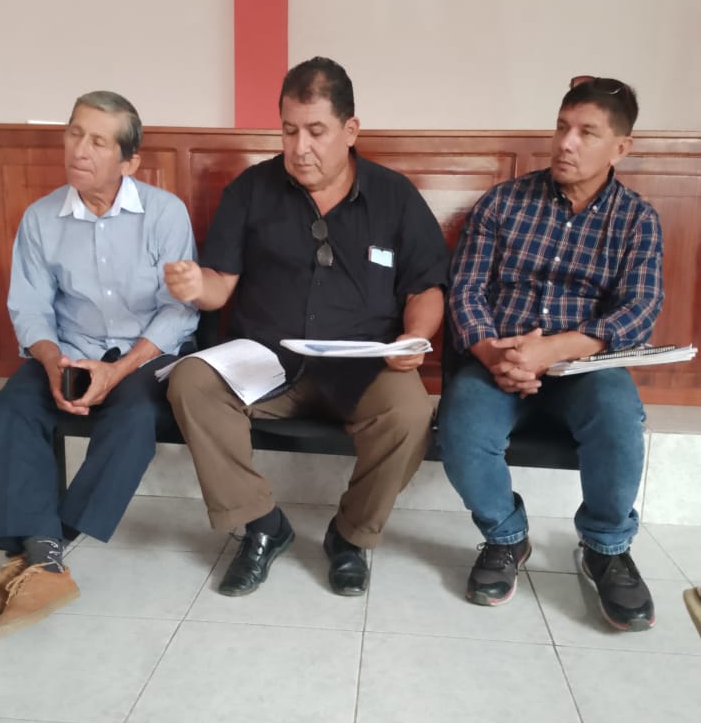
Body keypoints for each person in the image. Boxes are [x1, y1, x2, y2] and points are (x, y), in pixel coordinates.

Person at [164, 57, 449, 597]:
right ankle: (262, 525)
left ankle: (350, 536)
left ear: (350, 129)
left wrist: (413, 337)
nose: (300, 147)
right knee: (190, 382)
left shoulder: (394, 196)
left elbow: (426, 287)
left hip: (363, 365)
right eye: (289, 130)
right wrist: (195, 285)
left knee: (411, 414)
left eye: (316, 131)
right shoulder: (250, 190)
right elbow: (220, 285)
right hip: (266, 361)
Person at [437, 76, 663, 631]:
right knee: (460, 426)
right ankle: (505, 537)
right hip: (499, 358)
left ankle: (605, 548)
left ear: (620, 147)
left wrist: (555, 350)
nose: (566, 143)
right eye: (562, 127)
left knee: (619, 418)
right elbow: (466, 290)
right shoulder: (504, 202)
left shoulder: (636, 219)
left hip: (583, 364)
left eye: (587, 132)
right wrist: (497, 357)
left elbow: (640, 310)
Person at [0, 91, 199, 637]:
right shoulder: (40, 217)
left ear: (129, 162)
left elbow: (179, 310)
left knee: (135, 417)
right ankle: (45, 559)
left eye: (98, 141)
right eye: (75, 133)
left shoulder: (164, 213)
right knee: (13, 405)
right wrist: (52, 362)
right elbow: (29, 307)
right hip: (69, 350)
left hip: (144, 354)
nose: (79, 149)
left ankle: (46, 545)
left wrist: (118, 371)